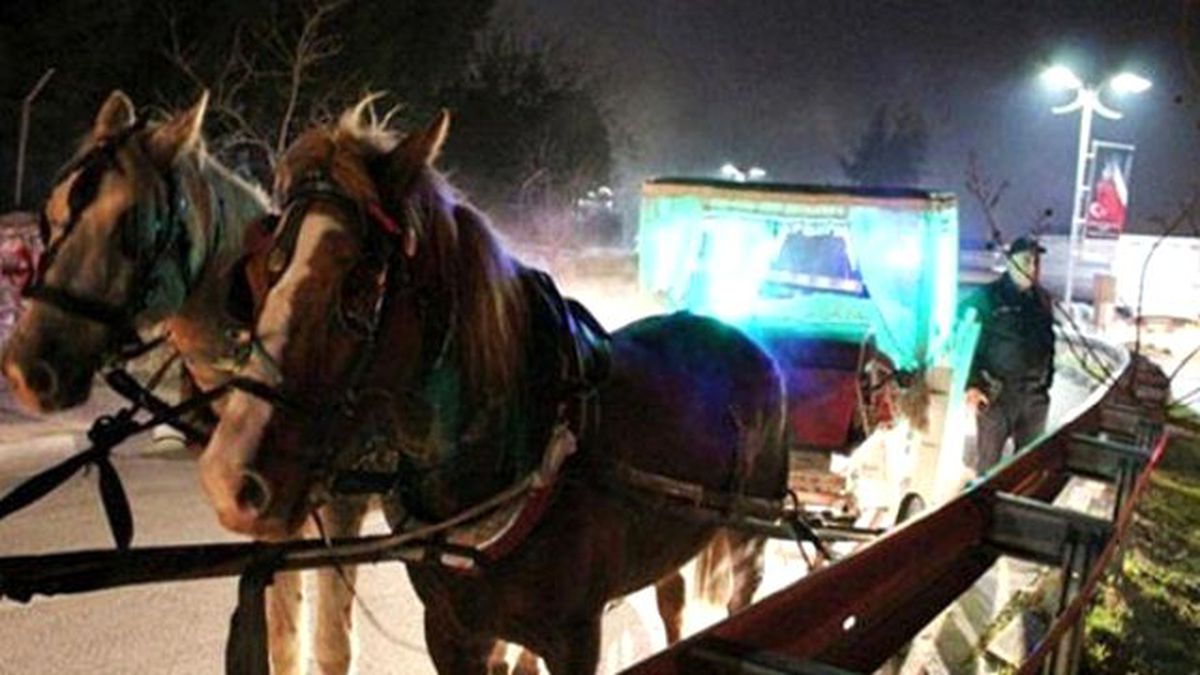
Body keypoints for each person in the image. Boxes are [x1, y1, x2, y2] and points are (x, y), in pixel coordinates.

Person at [960, 236, 1056, 473]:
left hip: (1034, 399)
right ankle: (982, 508)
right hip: (997, 397)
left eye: (1036, 261)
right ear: (1010, 262)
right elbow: (965, 340)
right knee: (988, 468)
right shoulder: (988, 297)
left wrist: (1046, 383)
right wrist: (972, 384)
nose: (1032, 267)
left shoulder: (1042, 301)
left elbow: (1049, 343)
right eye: (1026, 260)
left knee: (1028, 469)